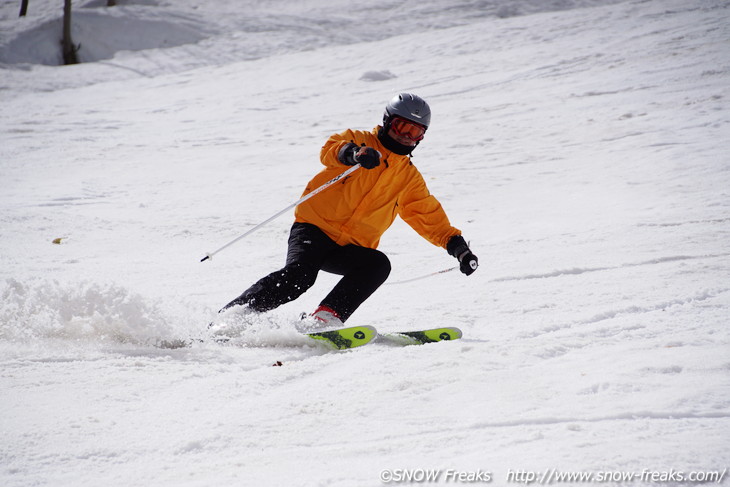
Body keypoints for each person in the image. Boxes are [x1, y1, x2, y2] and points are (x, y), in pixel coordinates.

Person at [219, 93, 478, 329]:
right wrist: (355, 154)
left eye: (416, 132)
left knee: (377, 265)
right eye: (403, 127)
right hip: (314, 229)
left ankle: (324, 318)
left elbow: (429, 217)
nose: (406, 137)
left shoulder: (408, 178)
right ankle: (233, 317)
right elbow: (331, 148)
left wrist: (459, 248)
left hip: (349, 247)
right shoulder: (360, 140)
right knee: (300, 277)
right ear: (388, 122)